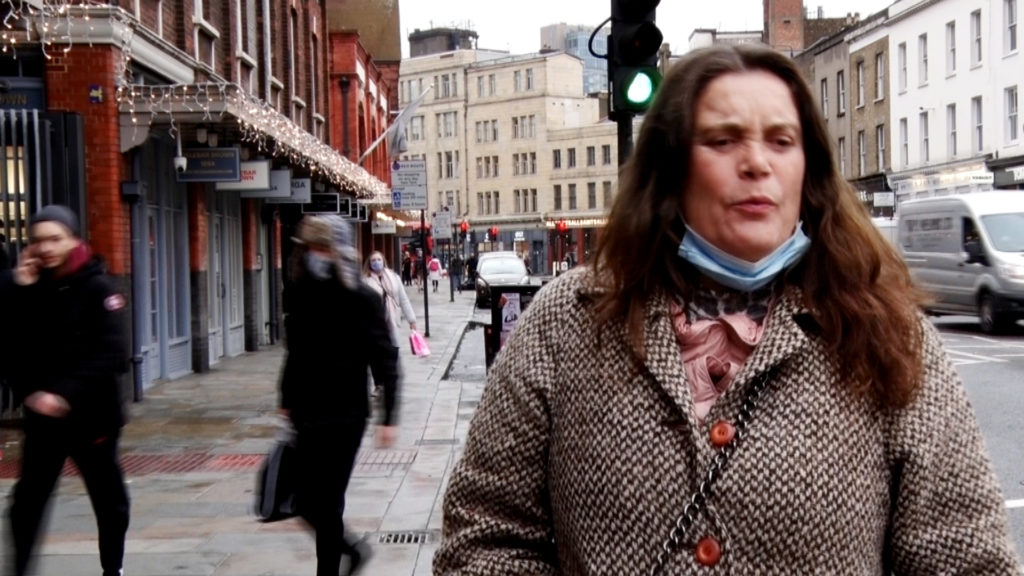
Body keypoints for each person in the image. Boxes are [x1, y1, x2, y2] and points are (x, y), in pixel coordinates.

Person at [434, 45, 1021, 574]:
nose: (756, 163)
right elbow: (484, 540)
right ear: (672, 170)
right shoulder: (568, 321)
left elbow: (967, 559)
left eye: (781, 141)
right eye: (723, 139)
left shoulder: (887, 333)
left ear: (807, 170)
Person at [2, 205, 130, 576]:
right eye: (38, 240)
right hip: (45, 421)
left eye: (55, 238)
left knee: (109, 502)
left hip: (93, 418)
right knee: (26, 502)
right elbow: (9, 348)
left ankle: (113, 569)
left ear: (74, 240)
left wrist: (64, 394)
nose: (46, 247)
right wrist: (16, 288)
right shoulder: (27, 287)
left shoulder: (99, 288)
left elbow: (114, 354)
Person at [279, 215, 399, 576]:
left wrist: (389, 416)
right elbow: (294, 352)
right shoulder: (300, 292)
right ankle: (350, 549)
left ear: (337, 251)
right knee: (303, 499)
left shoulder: (362, 298)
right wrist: (284, 399)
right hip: (305, 412)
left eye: (323, 248)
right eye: (311, 248)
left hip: (345, 416)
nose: (316, 255)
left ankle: (330, 567)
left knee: (328, 501)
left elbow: (385, 358)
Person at [363, 250, 418, 343]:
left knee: (393, 348)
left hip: (393, 320)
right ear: (369, 263)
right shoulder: (365, 281)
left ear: (383, 261)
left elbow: (403, 300)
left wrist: (412, 320)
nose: (376, 262)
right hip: (374, 323)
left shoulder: (394, 277)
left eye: (379, 259)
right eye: (373, 260)